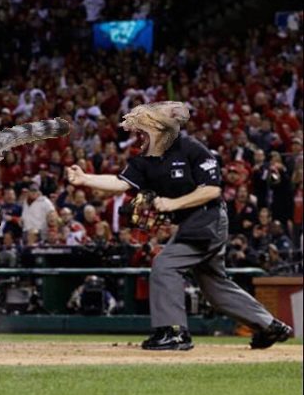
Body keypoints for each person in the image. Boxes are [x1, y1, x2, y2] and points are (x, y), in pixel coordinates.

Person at [67, 101, 292, 350]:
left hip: (208, 218)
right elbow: (121, 183)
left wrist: (173, 204)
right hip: (191, 224)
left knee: (165, 265)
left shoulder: (190, 148)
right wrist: (86, 178)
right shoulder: (144, 160)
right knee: (214, 287)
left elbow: (212, 190)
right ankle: (268, 326)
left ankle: (174, 331)